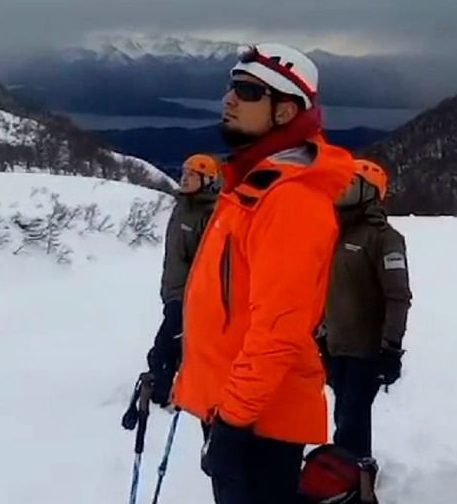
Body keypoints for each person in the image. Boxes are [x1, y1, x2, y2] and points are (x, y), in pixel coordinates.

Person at [170, 43, 356, 504]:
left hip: (256, 419)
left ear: (284, 111)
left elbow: (278, 328)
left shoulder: (289, 201)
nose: (229, 99)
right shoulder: (252, 187)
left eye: (249, 91)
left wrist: (232, 422)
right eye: (232, 86)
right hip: (238, 407)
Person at [319, 157, 412, 461]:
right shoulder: (333, 232)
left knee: (351, 424)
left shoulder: (385, 239)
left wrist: (391, 346)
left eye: (350, 183)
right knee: (344, 416)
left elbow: (398, 296)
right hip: (334, 345)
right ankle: (352, 477)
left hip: (366, 350)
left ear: (368, 192)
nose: (341, 188)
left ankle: (352, 482)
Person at [145, 153, 222, 407]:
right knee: (171, 348)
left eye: (192, 175)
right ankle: (170, 390)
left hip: (190, 296)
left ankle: (165, 395)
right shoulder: (182, 206)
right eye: (184, 173)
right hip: (174, 291)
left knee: (165, 349)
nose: (185, 179)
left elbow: (209, 262)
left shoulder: (210, 214)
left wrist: (196, 297)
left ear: (208, 180)